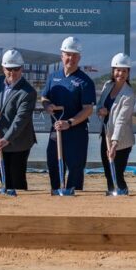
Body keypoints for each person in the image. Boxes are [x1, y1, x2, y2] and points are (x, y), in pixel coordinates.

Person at [41, 37, 97, 193]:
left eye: (74, 55)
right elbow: (44, 98)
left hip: (76, 133)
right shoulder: (53, 77)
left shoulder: (85, 82)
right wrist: (47, 105)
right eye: (67, 54)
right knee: (53, 164)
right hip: (56, 130)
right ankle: (56, 197)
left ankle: (74, 205)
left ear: (79, 57)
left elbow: (88, 109)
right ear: (62, 55)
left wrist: (70, 123)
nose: (70, 58)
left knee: (75, 169)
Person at [0, 49, 37, 191]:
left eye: (16, 69)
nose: (12, 73)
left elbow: (21, 120)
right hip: (0, 137)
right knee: (4, 177)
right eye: (9, 69)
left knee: (17, 179)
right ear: (3, 68)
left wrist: (6, 139)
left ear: (22, 68)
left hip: (19, 142)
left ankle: (22, 209)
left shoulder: (28, 92)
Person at [97, 53, 136, 193]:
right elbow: (99, 105)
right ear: (113, 71)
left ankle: (122, 195)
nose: (121, 73)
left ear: (128, 73)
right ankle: (112, 197)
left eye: (124, 70)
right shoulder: (107, 86)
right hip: (105, 136)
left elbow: (121, 120)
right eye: (118, 70)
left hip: (121, 141)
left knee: (117, 173)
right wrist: (100, 110)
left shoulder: (129, 94)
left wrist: (114, 144)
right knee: (108, 173)